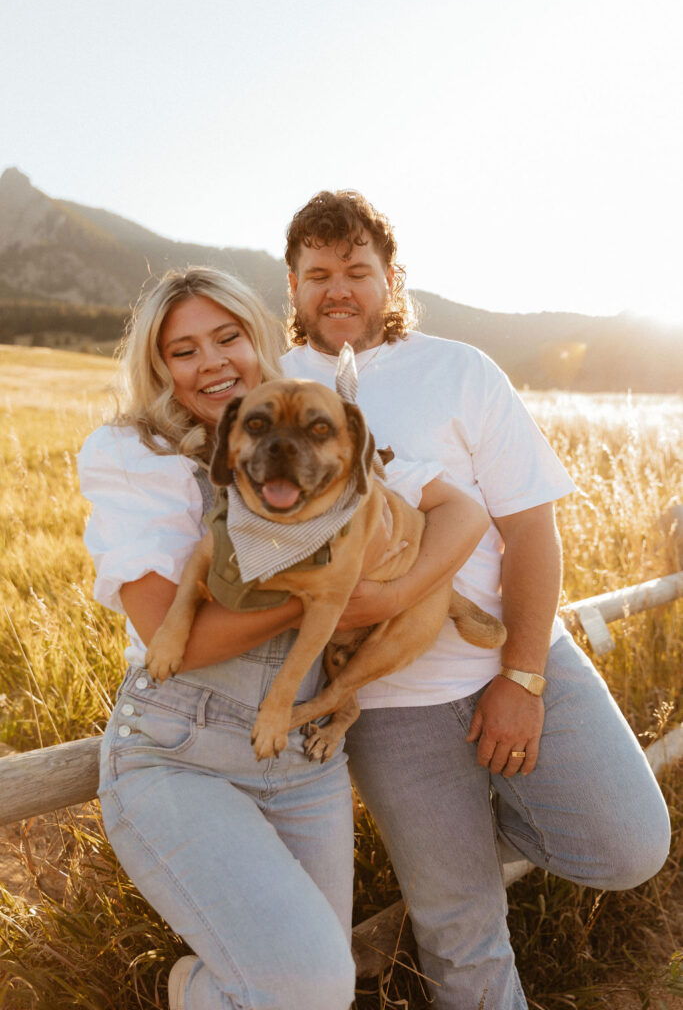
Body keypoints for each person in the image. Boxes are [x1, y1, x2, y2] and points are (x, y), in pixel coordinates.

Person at [280, 190, 672, 1010]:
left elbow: (531, 531)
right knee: (461, 933)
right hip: (386, 708)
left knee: (628, 846)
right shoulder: (271, 386)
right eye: (317, 273)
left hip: (512, 659)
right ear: (293, 286)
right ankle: (447, 848)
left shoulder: (458, 370)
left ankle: (468, 820)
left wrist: (522, 676)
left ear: (391, 278)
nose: (338, 288)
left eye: (357, 269)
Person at [77, 265, 490, 1010]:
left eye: (227, 337)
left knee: (313, 994)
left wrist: (387, 592)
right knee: (309, 987)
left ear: (257, 337)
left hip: (299, 759)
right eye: (183, 351)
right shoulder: (132, 455)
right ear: (158, 366)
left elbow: (459, 513)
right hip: (181, 749)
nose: (211, 362)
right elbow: (176, 639)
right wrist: (327, 592)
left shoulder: (322, 421)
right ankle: (192, 990)